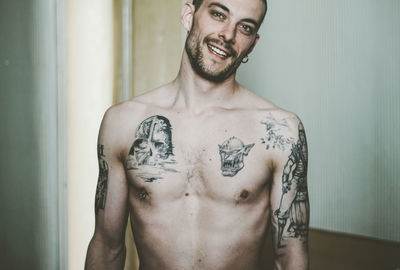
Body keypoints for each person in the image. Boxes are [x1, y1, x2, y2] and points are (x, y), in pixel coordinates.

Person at [85, 0, 310, 269]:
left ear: (252, 44)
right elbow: (107, 246)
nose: (228, 34)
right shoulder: (123, 123)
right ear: (188, 14)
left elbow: (289, 257)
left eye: (245, 27)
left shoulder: (279, 131)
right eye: (218, 14)